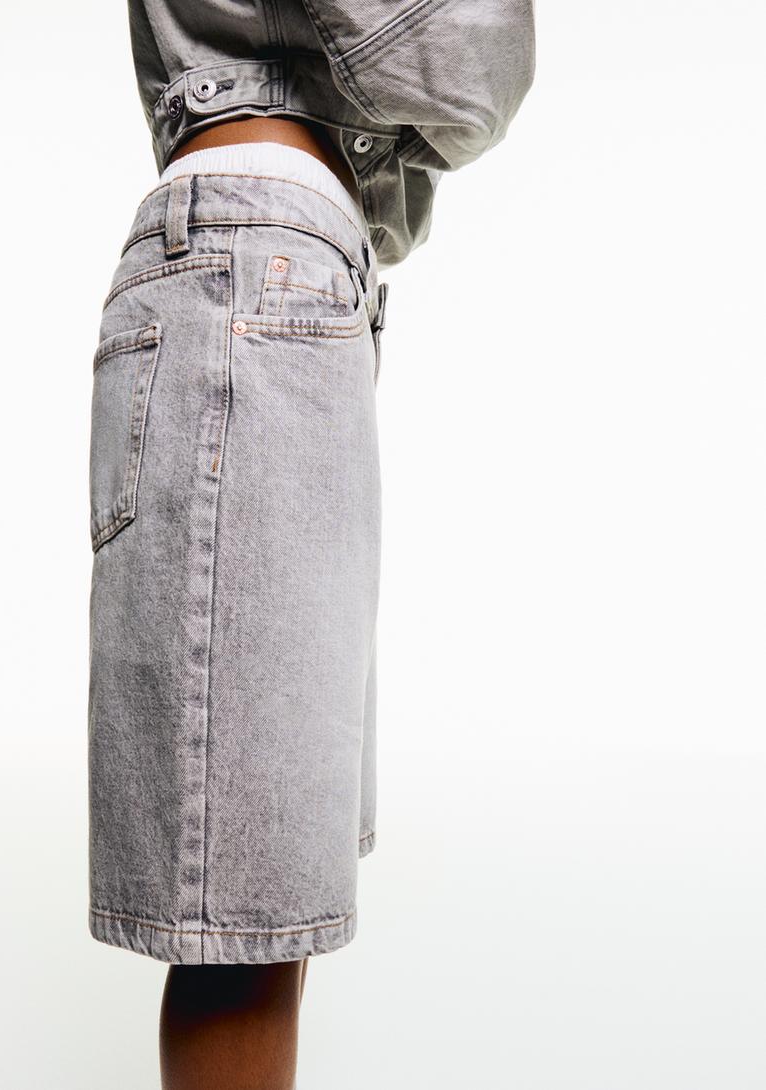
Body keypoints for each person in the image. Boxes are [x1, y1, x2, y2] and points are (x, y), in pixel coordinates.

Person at [87, 3, 535, 1087]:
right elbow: (472, 68)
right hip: (256, 271)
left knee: (270, 900)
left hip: (271, 268)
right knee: (247, 912)